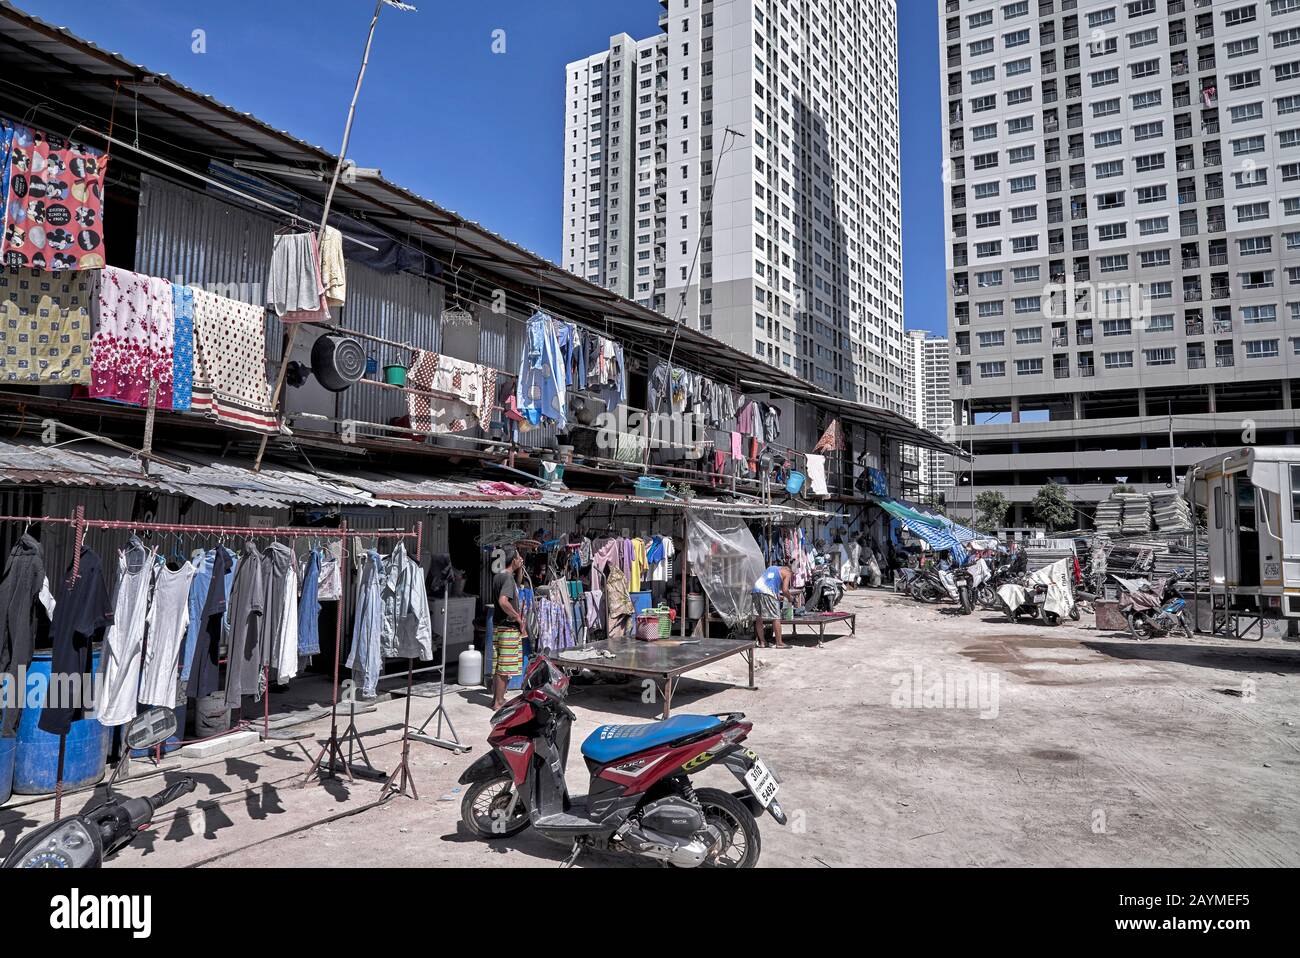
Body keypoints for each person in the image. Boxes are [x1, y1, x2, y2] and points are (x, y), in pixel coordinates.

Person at [491, 546, 527, 710]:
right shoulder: (507, 579)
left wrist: (520, 569)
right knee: (505, 667)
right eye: (518, 557)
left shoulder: (500, 576)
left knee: (499, 666)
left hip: (499, 626)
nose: (520, 559)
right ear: (513, 560)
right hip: (507, 627)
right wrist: (517, 617)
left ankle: (497, 699)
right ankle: (499, 702)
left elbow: (517, 584)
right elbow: (503, 601)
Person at [752, 561, 794, 649]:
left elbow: (768, 582)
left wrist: (778, 596)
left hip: (756, 589)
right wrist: (790, 598)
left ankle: (762, 642)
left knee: (759, 617)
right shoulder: (788, 572)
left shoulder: (771, 568)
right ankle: (779, 643)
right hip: (767, 591)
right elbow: (785, 590)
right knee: (776, 617)